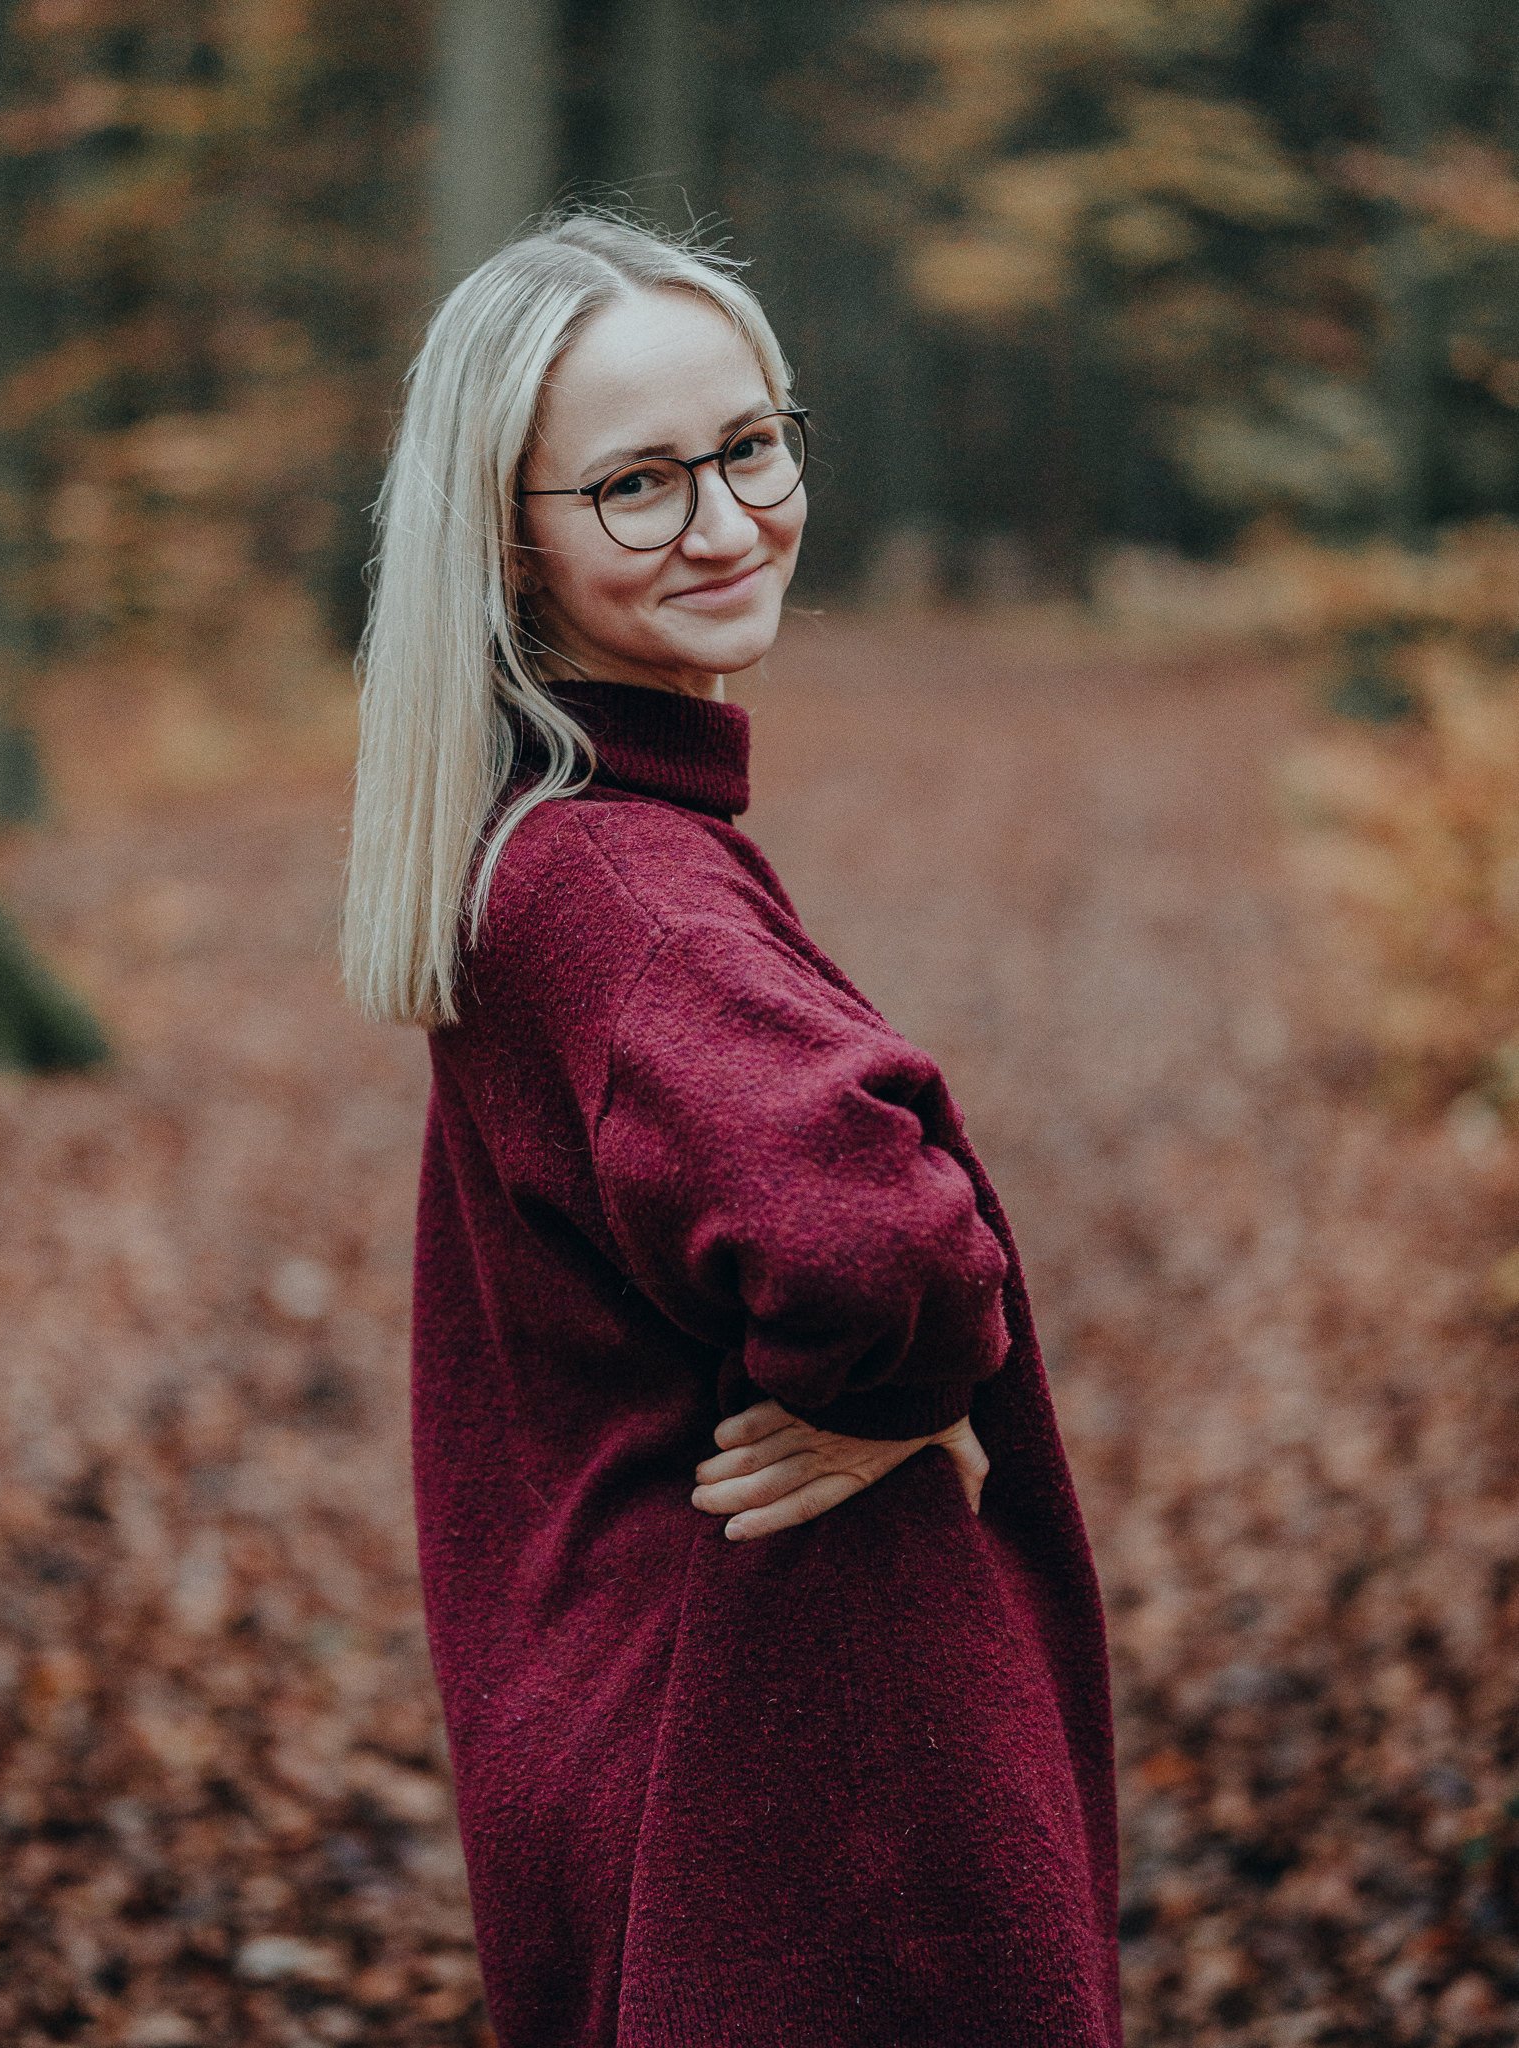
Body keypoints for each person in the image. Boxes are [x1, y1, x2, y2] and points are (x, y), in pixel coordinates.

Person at [338, 206, 1122, 2048]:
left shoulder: (553, 844)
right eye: (632, 485)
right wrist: (896, 1384)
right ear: (503, 549)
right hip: (797, 1775)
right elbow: (874, 1243)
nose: (721, 521)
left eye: (748, 446)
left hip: (700, 1734)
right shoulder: (623, 895)